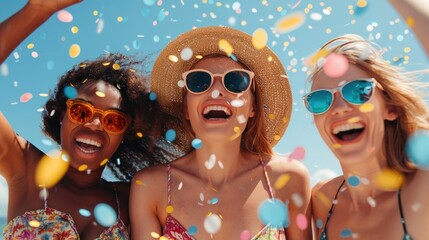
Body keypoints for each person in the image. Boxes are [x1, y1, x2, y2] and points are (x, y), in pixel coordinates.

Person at [0, 1, 172, 239]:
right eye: (81, 112)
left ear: (125, 134)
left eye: (112, 121)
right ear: (62, 115)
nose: (93, 124)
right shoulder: (24, 167)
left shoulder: (133, 196)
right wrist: (38, 9)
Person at [130, 26, 311, 240]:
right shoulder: (151, 186)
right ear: (186, 108)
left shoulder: (288, 178)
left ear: (253, 107)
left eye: (236, 81)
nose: (216, 90)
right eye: (199, 82)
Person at [307, 1, 429, 239]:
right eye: (321, 100)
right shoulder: (322, 199)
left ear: (390, 108)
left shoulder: (422, 191)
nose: (339, 108)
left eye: (359, 91)